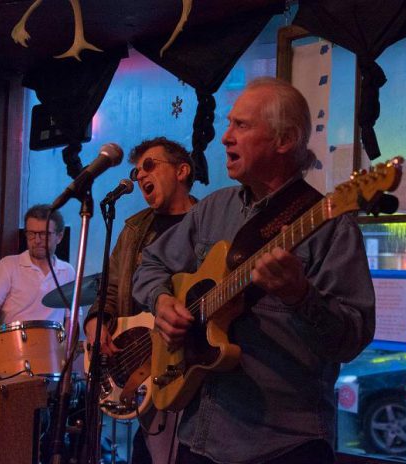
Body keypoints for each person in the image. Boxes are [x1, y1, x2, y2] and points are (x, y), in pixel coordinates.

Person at [132, 77, 376, 464]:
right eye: (229, 124)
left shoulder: (330, 225)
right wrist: (162, 301)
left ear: (284, 140)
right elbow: (151, 263)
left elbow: (352, 338)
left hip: (283, 445)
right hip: (198, 436)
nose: (225, 137)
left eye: (241, 126)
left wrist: (299, 295)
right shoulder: (213, 208)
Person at [84, 137, 197, 463]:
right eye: (136, 173)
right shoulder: (134, 230)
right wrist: (95, 320)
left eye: (149, 166)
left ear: (181, 171)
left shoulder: (207, 222)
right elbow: (111, 288)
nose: (140, 176)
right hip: (143, 369)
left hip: (190, 369)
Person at [0, 204, 75, 324]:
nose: (37, 240)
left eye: (44, 234)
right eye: (31, 233)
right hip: (12, 341)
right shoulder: (8, 265)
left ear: (59, 237)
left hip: (53, 342)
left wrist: (66, 342)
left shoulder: (67, 271)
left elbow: (72, 317)